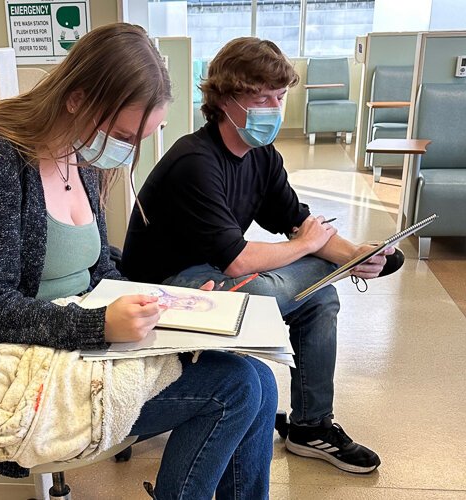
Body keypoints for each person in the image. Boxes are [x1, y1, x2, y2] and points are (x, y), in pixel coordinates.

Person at [0, 24, 277, 499]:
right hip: (26, 364)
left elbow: (101, 272)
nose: (124, 149)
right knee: (236, 387)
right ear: (78, 98)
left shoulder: (83, 157)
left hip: (84, 346)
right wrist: (100, 325)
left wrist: (170, 305)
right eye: (122, 133)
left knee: (259, 377)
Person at [121, 37, 404, 475]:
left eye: (280, 96)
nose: (275, 107)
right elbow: (240, 260)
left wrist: (355, 254)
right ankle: (328, 281)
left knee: (320, 296)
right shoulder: (195, 160)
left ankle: (310, 426)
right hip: (163, 285)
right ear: (226, 100)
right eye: (262, 97)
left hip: (213, 272)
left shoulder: (262, 156)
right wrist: (313, 250)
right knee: (284, 286)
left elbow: (299, 223)